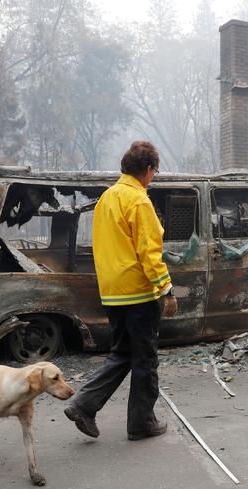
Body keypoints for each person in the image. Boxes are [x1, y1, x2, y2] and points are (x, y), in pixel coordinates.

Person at [65, 140, 177, 441]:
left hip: (113, 292)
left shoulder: (107, 198)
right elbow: (149, 252)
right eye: (155, 172)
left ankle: (84, 405)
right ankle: (141, 423)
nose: (153, 177)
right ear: (148, 169)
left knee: (123, 353)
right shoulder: (138, 201)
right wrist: (165, 289)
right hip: (139, 293)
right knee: (145, 359)